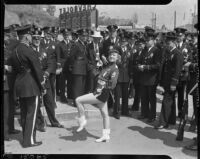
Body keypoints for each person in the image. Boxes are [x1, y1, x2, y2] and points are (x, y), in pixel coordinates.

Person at [10, 25, 45, 148]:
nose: (31, 37)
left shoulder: (14, 50)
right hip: (31, 85)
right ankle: (29, 141)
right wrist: (42, 84)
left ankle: (26, 138)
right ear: (26, 37)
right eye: (30, 35)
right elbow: (37, 69)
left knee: (25, 114)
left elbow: (13, 69)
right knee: (32, 114)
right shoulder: (29, 50)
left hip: (20, 84)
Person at [75, 49, 120, 142]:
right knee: (105, 115)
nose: (112, 56)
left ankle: (82, 120)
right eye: (111, 54)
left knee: (78, 100)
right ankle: (106, 135)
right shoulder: (107, 65)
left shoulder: (114, 68)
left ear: (117, 58)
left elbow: (112, 84)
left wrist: (103, 83)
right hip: (99, 92)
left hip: (100, 94)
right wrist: (98, 70)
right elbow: (100, 76)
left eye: (114, 55)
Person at [31, 29, 64, 131]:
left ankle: (54, 121)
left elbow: (51, 63)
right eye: (34, 38)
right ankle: (40, 124)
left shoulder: (43, 49)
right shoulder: (29, 50)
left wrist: (47, 73)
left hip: (46, 79)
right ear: (31, 39)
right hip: (34, 80)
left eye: (38, 38)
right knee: (36, 103)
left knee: (49, 101)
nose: (37, 40)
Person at [154, 32, 184, 129]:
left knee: (166, 101)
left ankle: (163, 122)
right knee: (170, 101)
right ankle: (171, 120)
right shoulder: (169, 52)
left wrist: (174, 83)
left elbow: (177, 70)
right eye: (167, 42)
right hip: (166, 81)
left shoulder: (177, 54)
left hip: (171, 82)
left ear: (174, 42)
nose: (167, 44)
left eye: (169, 43)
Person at [137, 28, 161, 123]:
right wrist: (139, 65)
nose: (146, 42)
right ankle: (144, 113)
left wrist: (146, 67)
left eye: (148, 40)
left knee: (151, 98)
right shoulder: (144, 50)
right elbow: (139, 61)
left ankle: (152, 115)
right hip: (144, 77)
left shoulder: (157, 51)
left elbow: (158, 65)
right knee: (144, 97)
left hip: (151, 78)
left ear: (153, 40)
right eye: (146, 40)